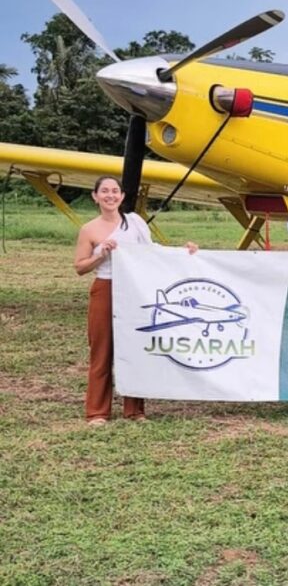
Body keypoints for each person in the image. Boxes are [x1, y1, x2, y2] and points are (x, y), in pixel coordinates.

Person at [74, 176, 197, 426]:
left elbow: (152, 253)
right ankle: (97, 412)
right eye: (105, 191)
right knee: (102, 350)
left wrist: (184, 252)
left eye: (115, 191)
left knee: (134, 347)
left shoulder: (135, 223)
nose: (110, 195)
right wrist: (102, 255)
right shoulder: (89, 229)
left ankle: (135, 410)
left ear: (122, 196)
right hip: (105, 287)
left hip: (133, 289)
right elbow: (79, 267)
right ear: (95, 196)